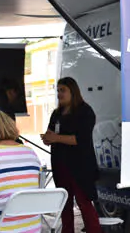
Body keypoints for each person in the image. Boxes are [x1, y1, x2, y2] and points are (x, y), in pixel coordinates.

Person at [41, 77, 101, 233]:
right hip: (61, 167)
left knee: (85, 205)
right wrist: (48, 138)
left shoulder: (85, 111)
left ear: (73, 91)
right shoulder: (56, 114)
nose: (59, 94)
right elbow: (51, 133)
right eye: (58, 90)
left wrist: (56, 138)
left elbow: (80, 139)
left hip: (81, 168)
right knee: (64, 206)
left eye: (63, 90)